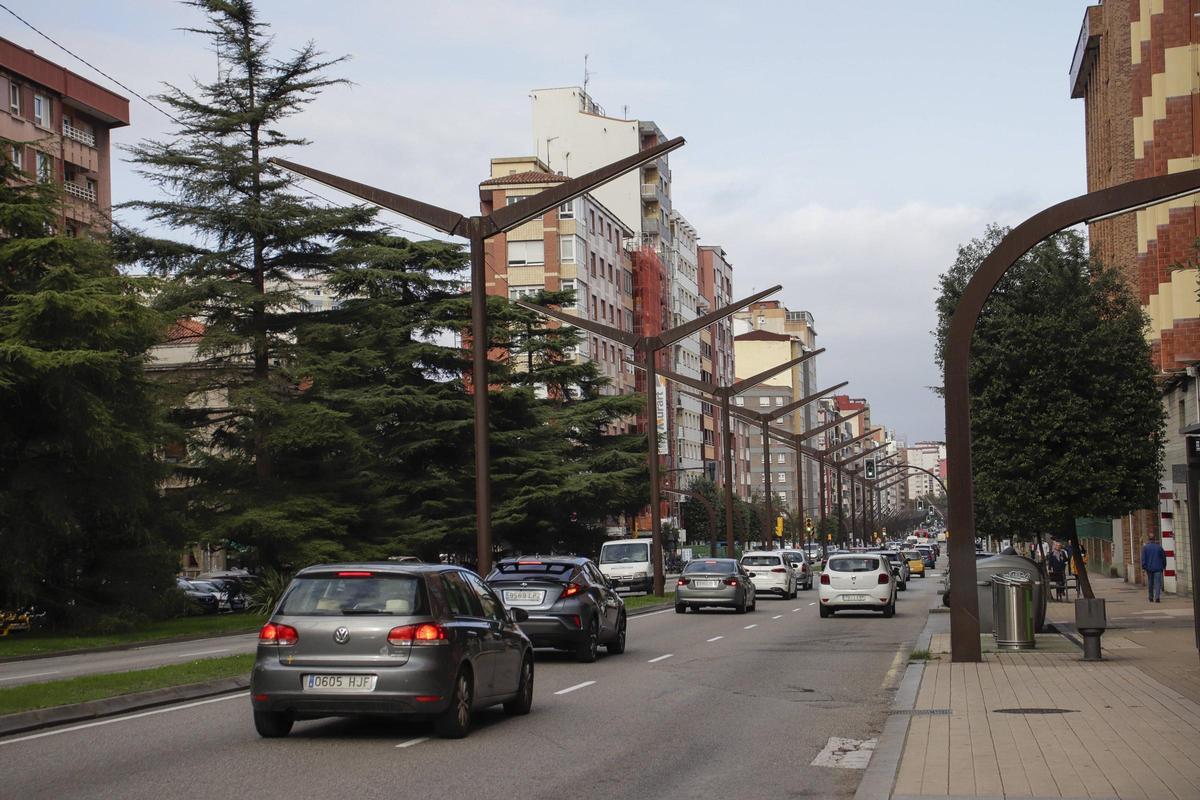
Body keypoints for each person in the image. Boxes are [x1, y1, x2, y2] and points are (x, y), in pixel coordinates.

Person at [1141, 532, 1167, 603]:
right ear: (1155, 539)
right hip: (1158, 568)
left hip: (1149, 568)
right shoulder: (1159, 547)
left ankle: (1151, 597)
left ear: (1149, 539)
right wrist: (1164, 566)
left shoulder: (1145, 548)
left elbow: (1143, 559)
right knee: (1158, 583)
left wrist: (1143, 567)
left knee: (1150, 583)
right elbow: (1163, 558)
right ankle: (1157, 597)